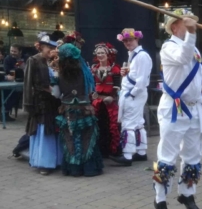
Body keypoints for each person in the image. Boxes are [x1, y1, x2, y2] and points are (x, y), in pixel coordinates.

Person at [153, 8, 202, 209]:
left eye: (192, 23)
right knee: (167, 157)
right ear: (175, 27)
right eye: (186, 23)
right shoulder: (169, 48)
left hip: (194, 109)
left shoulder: (193, 49)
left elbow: (200, 76)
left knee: (193, 155)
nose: (191, 26)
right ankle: (160, 200)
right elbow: (183, 59)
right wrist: (192, 34)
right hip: (174, 109)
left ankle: (187, 194)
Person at [54, 43, 104, 177]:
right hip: (85, 109)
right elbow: (90, 90)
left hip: (68, 109)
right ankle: (89, 168)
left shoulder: (60, 74)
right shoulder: (85, 71)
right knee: (87, 138)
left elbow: (56, 94)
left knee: (70, 138)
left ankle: (74, 169)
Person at [110, 29, 152, 166]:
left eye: (130, 40)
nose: (128, 43)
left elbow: (142, 79)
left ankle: (127, 155)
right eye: (125, 41)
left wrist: (132, 93)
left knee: (128, 123)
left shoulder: (142, 56)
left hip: (134, 94)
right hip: (134, 93)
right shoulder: (135, 55)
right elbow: (136, 75)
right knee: (138, 122)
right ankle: (141, 152)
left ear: (137, 39)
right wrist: (127, 73)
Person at [23, 34, 62, 175]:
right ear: (42, 47)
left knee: (54, 131)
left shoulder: (55, 62)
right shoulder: (33, 60)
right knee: (43, 132)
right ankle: (43, 163)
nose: (51, 50)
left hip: (54, 102)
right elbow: (28, 84)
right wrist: (28, 104)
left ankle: (55, 161)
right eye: (48, 48)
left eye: (53, 48)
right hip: (41, 103)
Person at [91, 43, 122, 158]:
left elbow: (117, 85)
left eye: (102, 53)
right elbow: (92, 84)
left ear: (108, 54)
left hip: (110, 102)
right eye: (98, 53)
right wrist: (93, 92)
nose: (100, 55)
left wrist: (112, 97)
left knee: (112, 125)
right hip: (97, 102)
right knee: (99, 125)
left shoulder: (114, 68)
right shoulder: (94, 68)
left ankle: (113, 150)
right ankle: (102, 150)